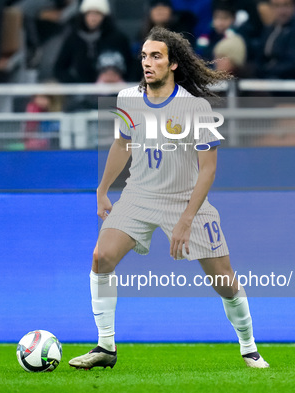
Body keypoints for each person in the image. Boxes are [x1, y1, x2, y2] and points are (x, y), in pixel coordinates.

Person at [68, 26, 269, 370]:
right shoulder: (128, 99)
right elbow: (121, 144)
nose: (147, 62)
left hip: (185, 199)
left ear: (173, 63)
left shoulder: (196, 108)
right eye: (144, 56)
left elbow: (208, 170)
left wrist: (187, 220)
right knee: (101, 258)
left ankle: (249, 347)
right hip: (139, 195)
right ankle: (105, 347)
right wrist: (102, 189)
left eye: (156, 56)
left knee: (224, 281)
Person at [53, 0, 134, 83]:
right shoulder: (74, 39)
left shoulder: (118, 38)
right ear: (83, 15)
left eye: (97, 14)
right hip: (82, 92)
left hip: (112, 90)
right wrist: (75, 83)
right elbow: (59, 68)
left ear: (104, 16)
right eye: (89, 13)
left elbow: (131, 66)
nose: (93, 18)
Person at [254, 0, 295, 80]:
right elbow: (260, 57)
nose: (282, 11)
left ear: (294, 6)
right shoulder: (270, 29)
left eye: (286, 5)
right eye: (277, 6)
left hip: (290, 81)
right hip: (268, 77)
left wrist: (266, 70)